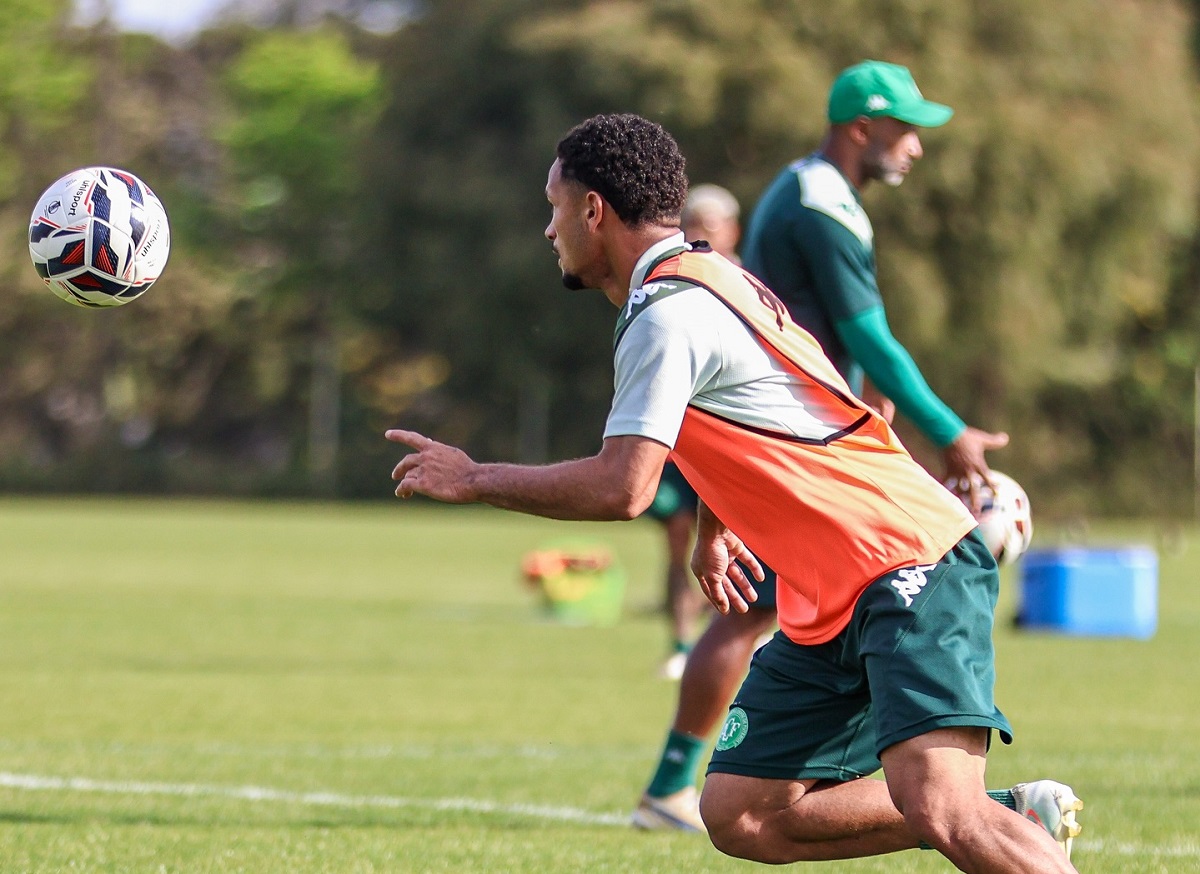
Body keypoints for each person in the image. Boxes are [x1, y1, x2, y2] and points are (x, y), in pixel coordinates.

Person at [386, 113, 1082, 871]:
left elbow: (624, 486)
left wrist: (475, 477)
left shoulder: (668, 314)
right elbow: (763, 409)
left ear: (593, 211)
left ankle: (983, 820)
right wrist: (718, 526)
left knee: (944, 807)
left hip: (902, 560)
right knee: (743, 813)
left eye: (554, 207)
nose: (548, 230)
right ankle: (1004, 817)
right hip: (836, 591)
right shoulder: (705, 278)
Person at [742, 60, 1009, 510]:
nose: (917, 148)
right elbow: (866, 337)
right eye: (905, 129)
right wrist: (949, 432)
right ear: (862, 131)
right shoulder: (821, 207)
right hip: (791, 436)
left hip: (788, 428)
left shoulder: (806, 186)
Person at [643, 184, 745, 683]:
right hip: (681, 443)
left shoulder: (746, 286)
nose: (701, 231)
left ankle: (728, 635)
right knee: (679, 540)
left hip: (731, 446)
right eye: (694, 221)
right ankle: (682, 642)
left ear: (733, 230)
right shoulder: (673, 287)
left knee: (735, 538)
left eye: (712, 223)